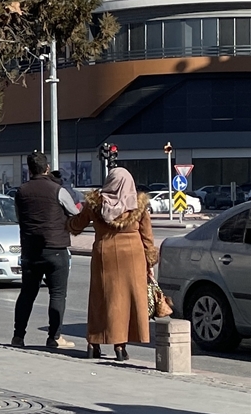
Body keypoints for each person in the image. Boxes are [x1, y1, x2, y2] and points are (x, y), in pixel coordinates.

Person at [68, 167, 157, 361]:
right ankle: (120, 346)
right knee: (125, 301)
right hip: (133, 257)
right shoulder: (138, 205)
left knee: (101, 298)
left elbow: (77, 225)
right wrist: (150, 261)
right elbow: (147, 238)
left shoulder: (95, 204)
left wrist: (65, 222)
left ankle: (93, 343)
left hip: (104, 253)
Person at [12, 152, 80, 349]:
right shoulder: (57, 190)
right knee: (57, 294)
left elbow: (19, 216)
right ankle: (54, 337)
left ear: (29, 169)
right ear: (47, 168)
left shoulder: (21, 191)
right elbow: (75, 213)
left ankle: (18, 336)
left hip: (30, 250)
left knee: (27, 294)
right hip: (56, 248)